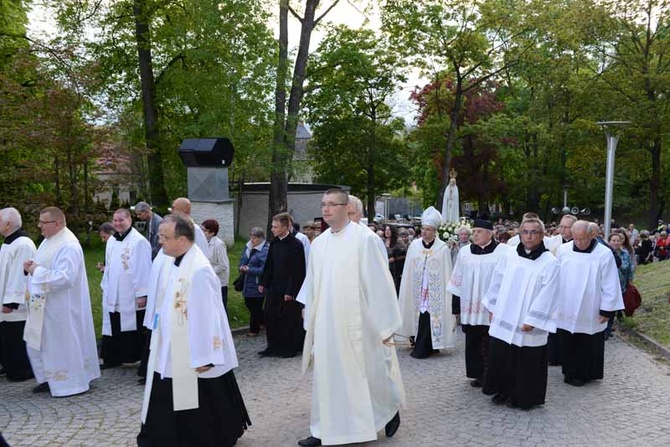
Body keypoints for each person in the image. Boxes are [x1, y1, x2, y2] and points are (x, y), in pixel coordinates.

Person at [297, 189, 404, 447]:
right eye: (324, 205)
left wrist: (384, 325)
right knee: (327, 376)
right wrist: (308, 311)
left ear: (347, 208)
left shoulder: (364, 240)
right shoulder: (319, 243)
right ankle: (323, 430)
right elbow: (312, 283)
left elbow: (379, 283)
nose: (326, 209)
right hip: (326, 323)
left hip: (359, 323)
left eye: (332, 205)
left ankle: (388, 409)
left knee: (366, 374)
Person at [139, 215, 250, 447]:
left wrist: (207, 356)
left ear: (182, 240)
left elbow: (209, 315)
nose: (160, 242)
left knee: (197, 396)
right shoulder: (174, 260)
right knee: (171, 391)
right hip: (172, 342)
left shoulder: (199, 270)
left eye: (164, 237)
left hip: (192, 348)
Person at [481, 217, 559, 409]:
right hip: (505, 316)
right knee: (503, 356)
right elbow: (497, 281)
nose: (529, 236)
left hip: (527, 321)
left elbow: (549, 294)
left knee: (526, 360)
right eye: (525, 232)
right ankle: (502, 391)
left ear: (542, 235)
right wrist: (492, 307)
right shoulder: (509, 256)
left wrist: (533, 319)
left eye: (534, 232)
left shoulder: (550, 262)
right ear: (520, 234)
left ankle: (524, 397)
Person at [23, 207, 100, 396]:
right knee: (40, 342)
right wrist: (30, 268)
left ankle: (70, 382)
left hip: (62, 307)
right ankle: (49, 378)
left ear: (57, 223)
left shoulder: (68, 245)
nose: (39, 225)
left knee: (61, 344)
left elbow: (66, 277)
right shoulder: (49, 241)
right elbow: (43, 265)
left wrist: (37, 271)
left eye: (43, 222)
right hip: (44, 305)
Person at [555, 220, 624, 387]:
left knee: (588, 341)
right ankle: (569, 371)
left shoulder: (603, 253)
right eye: (576, 239)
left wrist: (607, 310)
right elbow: (555, 277)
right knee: (568, 339)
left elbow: (610, 282)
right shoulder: (563, 250)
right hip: (567, 304)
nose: (580, 243)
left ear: (591, 236)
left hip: (591, 306)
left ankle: (587, 373)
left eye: (583, 239)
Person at [447, 218, 509, 388]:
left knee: (492, 342)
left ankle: (493, 375)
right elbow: (457, 281)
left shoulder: (504, 252)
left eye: (479, 231)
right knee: (473, 342)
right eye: (473, 231)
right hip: (470, 307)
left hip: (492, 308)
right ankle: (478, 374)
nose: (474, 234)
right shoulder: (465, 252)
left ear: (490, 234)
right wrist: (456, 308)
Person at [398, 206, 455, 359]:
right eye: (423, 229)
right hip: (417, 289)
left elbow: (446, 273)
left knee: (431, 316)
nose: (424, 232)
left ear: (435, 231)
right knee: (419, 315)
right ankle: (418, 341)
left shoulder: (442, 248)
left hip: (434, 290)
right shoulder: (414, 246)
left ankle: (431, 345)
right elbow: (409, 270)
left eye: (428, 229)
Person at [100, 209, 152, 369]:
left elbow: (144, 268)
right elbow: (109, 264)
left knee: (133, 324)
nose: (117, 223)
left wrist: (143, 293)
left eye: (121, 220)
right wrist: (106, 284)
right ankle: (114, 357)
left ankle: (136, 357)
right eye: (115, 220)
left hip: (130, 292)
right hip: (113, 290)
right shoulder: (111, 241)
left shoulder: (139, 242)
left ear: (129, 220)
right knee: (113, 322)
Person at [258, 212, 306, 358]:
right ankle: (272, 346)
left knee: (288, 319)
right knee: (269, 315)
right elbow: (269, 265)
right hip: (274, 286)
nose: (272, 229)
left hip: (288, 288)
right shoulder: (274, 243)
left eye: (275, 227)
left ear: (285, 227)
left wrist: (290, 291)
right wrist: (263, 282)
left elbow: (297, 270)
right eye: (272, 226)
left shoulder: (295, 244)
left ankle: (288, 348)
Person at [0, 208, 36, 381]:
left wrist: (11, 302)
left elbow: (18, 275)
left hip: (17, 305)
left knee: (16, 337)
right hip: (5, 300)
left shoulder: (23, 244)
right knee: (7, 336)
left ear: (8, 224)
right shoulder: (9, 242)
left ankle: (22, 370)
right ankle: (10, 366)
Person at [546, 214, 577, 366]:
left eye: (567, 227)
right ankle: (553, 355)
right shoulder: (552, 242)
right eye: (561, 226)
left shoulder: (580, 243)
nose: (562, 230)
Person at [239, 227, 269, 337]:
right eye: (251, 237)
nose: (252, 240)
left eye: (255, 238)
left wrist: (250, 270)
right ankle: (263, 322)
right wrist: (241, 267)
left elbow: (264, 269)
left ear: (261, 238)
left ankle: (254, 329)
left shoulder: (265, 250)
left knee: (255, 306)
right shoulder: (248, 247)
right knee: (249, 303)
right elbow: (242, 259)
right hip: (247, 281)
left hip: (258, 283)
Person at [605, 232, 634, 339]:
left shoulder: (624, 254)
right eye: (613, 240)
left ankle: (608, 328)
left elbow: (627, 267)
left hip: (621, 284)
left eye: (618, 240)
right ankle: (604, 329)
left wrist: (630, 281)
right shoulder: (605, 252)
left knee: (613, 308)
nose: (616, 243)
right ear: (609, 241)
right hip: (607, 284)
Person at [202, 219, 230, 313]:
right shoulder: (204, 242)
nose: (202, 232)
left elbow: (223, 265)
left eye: (205, 230)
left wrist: (208, 272)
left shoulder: (219, 244)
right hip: (208, 280)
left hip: (219, 281)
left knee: (219, 308)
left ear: (212, 232)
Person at [384, 225, 406, 293]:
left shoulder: (398, 242)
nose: (387, 232)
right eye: (386, 230)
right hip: (385, 267)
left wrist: (395, 259)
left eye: (389, 230)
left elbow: (404, 254)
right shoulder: (382, 241)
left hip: (395, 269)